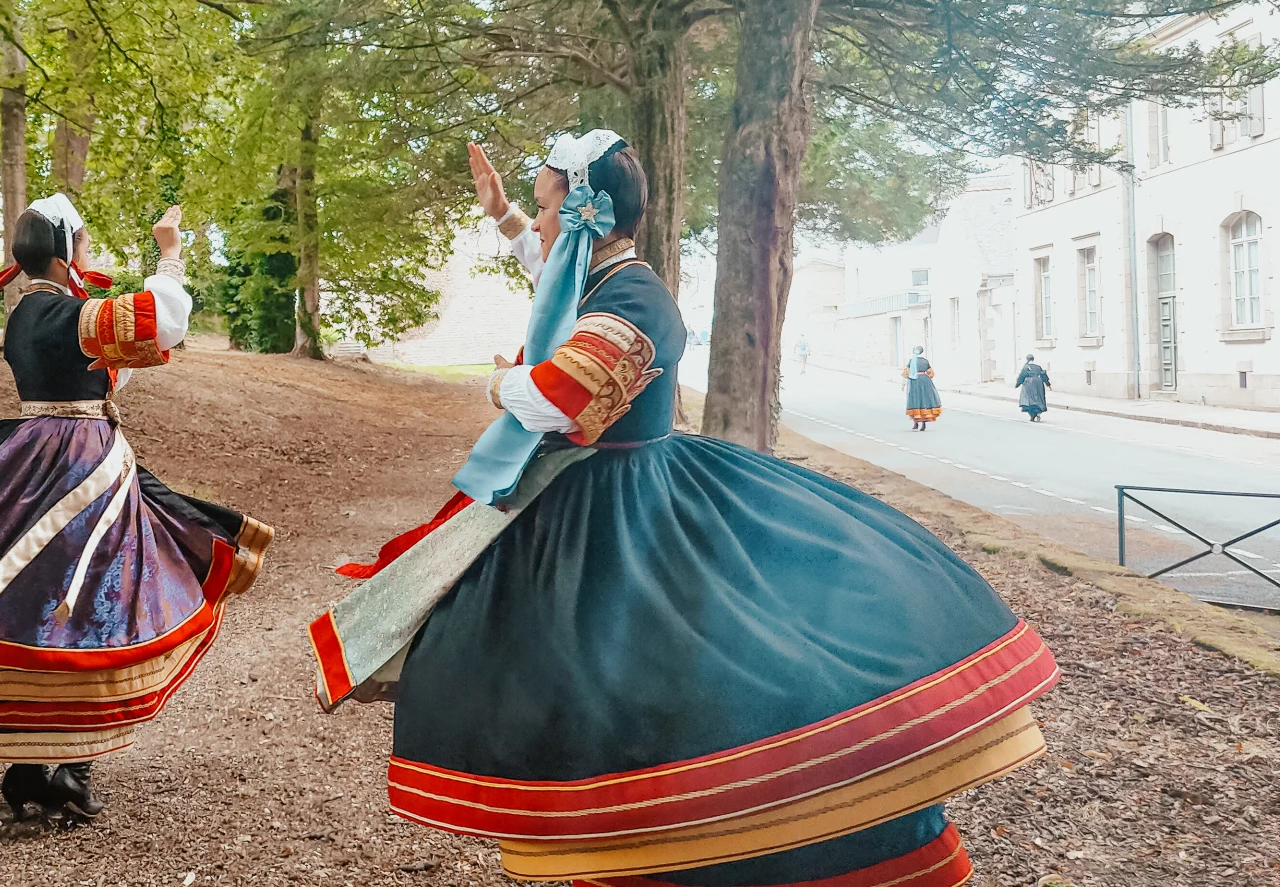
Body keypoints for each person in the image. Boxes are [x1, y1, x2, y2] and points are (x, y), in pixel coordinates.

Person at [307, 133, 1059, 887]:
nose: (537, 225)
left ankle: (678, 824)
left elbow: (559, 401)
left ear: (583, 215)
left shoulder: (635, 298)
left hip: (625, 497)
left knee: (657, 672)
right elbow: (550, 279)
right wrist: (503, 214)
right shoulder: (602, 278)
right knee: (613, 670)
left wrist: (500, 383)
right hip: (606, 486)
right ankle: (631, 822)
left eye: (543, 208)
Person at [0, 195, 272, 823]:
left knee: (34, 605)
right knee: (96, 602)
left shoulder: (23, 316)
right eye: (85, 245)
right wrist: (169, 256)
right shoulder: (69, 314)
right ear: (66, 252)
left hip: (28, 456)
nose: (89, 257)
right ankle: (66, 764)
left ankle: (37, 763)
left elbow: (96, 369)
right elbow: (162, 322)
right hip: (81, 465)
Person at [905, 345, 941, 431]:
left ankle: (916, 423)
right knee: (925, 400)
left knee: (915, 400)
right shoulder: (925, 361)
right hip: (925, 381)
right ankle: (924, 423)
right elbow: (931, 373)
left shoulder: (912, 361)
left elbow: (906, 373)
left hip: (915, 381)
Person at [1015, 355, 1051, 421]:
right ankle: (1038, 412)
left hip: (1029, 383)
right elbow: (1043, 375)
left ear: (1027, 359)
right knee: (1039, 398)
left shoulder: (1026, 367)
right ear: (1033, 359)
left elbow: (1022, 376)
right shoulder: (1038, 367)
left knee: (1029, 399)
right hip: (1038, 383)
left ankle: (1032, 414)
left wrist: (1017, 384)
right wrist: (1048, 384)